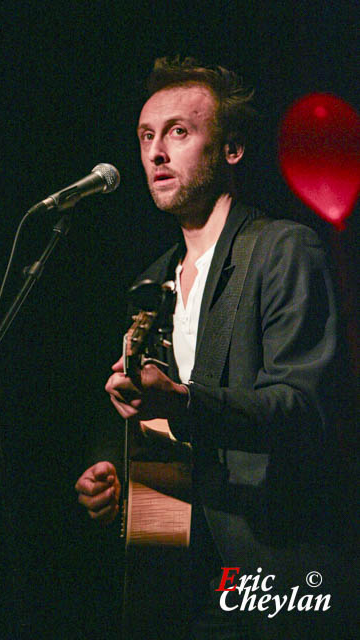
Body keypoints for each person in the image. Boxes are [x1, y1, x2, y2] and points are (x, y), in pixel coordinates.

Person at [75, 58, 349, 639]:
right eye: (147, 136)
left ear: (232, 149)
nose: (155, 153)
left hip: (273, 577)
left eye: (178, 132)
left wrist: (181, 402)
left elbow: (304, 411)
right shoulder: (152, 285)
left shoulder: (282, 250)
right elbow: (168, 441)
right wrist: (123, 476)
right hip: (177, 582)